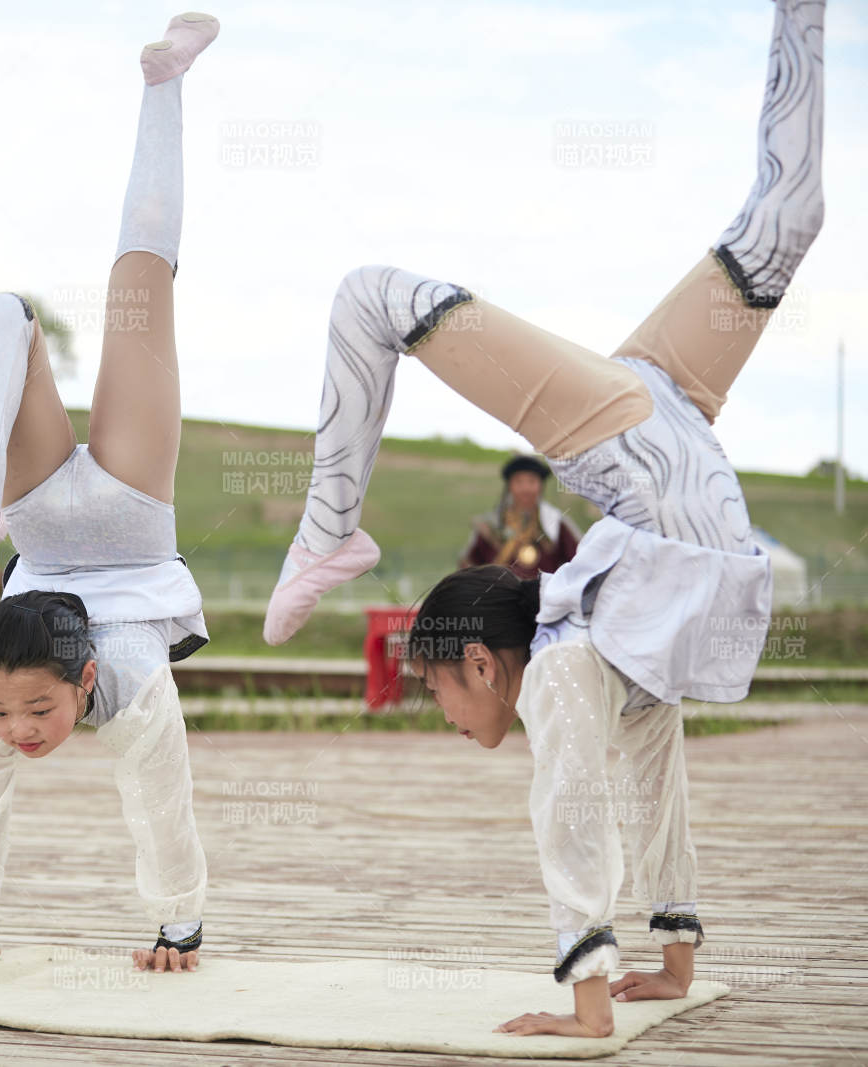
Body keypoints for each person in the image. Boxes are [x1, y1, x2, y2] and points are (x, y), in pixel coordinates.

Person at [261, 0, 824, 1037]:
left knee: (370, 293)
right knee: (788, 218)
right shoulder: (612, 653)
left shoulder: (564, 671)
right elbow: (651, 792)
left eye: (432, 690)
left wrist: (588, 1006)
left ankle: (330, 526)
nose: (440, 712)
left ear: (480, 661)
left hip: (630, 436)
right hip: (667, 414)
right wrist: (673, 962)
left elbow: (571, 815)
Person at [0, 13, 219, 975]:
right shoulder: (2, 687)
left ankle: (162, 81)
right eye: (8, 713)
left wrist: (176, 930)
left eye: (34, 713)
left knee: (69, 295)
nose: (18, 730)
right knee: (93, 290)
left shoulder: (125, 679)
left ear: (85, 681)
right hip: (125, 503)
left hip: (53, 525)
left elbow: (162, 803)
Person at [457, 455, 581, 579]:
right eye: (519, 481)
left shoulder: (556, 523)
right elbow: (468, 566)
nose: (525, 488)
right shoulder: (490, 525)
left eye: (532, 481)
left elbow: (579, 561)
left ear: (541, 485)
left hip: (544, 591)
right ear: (510, 486)